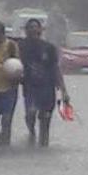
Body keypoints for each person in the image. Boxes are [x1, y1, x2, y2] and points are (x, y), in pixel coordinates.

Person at [19, 18, 68, 148]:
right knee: (30, 113)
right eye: (30, 27)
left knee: (45, 119)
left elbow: (55, 68)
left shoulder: (49, 48)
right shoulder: (21, 46)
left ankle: (43, 145)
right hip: (30, 88)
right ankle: (31, 133)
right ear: (26, 30)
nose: (33, 29)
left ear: (40, 30)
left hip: (47, 88)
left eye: (36, 27)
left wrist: (63, 91)